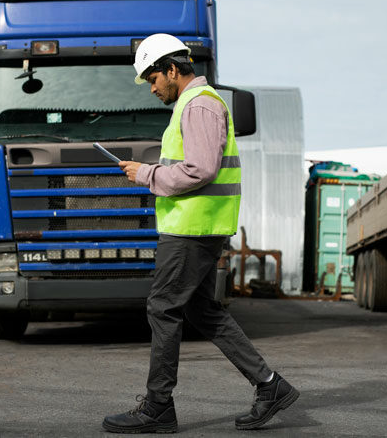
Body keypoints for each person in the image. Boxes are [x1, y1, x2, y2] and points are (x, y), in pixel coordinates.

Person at [101, 33, 299, 434]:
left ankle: (158, 407)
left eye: (153, 78)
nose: (152, 87)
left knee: (163, 308)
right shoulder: (195, 105)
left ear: (172, 69)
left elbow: (202, 169)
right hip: (196, 226)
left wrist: (147, 174)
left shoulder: (200, 105)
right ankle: (269, 385)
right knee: (201, 310)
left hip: (193, 229)